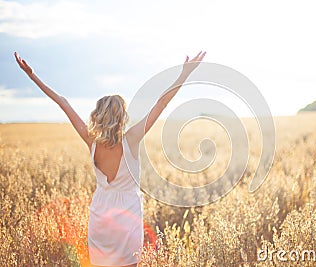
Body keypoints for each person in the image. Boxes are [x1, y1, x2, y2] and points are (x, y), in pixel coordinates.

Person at [14, 51, 206, 267]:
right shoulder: (132, 139)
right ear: (121, 116)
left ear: (99, 115)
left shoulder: (91, 140)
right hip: (128, 216)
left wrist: (33, 76)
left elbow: (63, 102)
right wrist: (184, 74)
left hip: (100, 215)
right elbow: (160, 104)